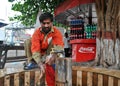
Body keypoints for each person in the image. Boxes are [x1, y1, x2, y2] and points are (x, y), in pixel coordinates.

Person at [24, 12, 64, 86]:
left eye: (48, 23)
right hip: (38, 54)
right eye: (44, 23)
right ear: (40, 23)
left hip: (49, 55)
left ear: (52, 22)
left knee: (55, 48)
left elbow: (59, 46)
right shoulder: (36, 33)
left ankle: (51, 62)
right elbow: (35, 49)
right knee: (28, 41)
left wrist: (53, 55)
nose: (46, 25)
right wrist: (40, 64)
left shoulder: (56, 32)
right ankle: (32, 62)